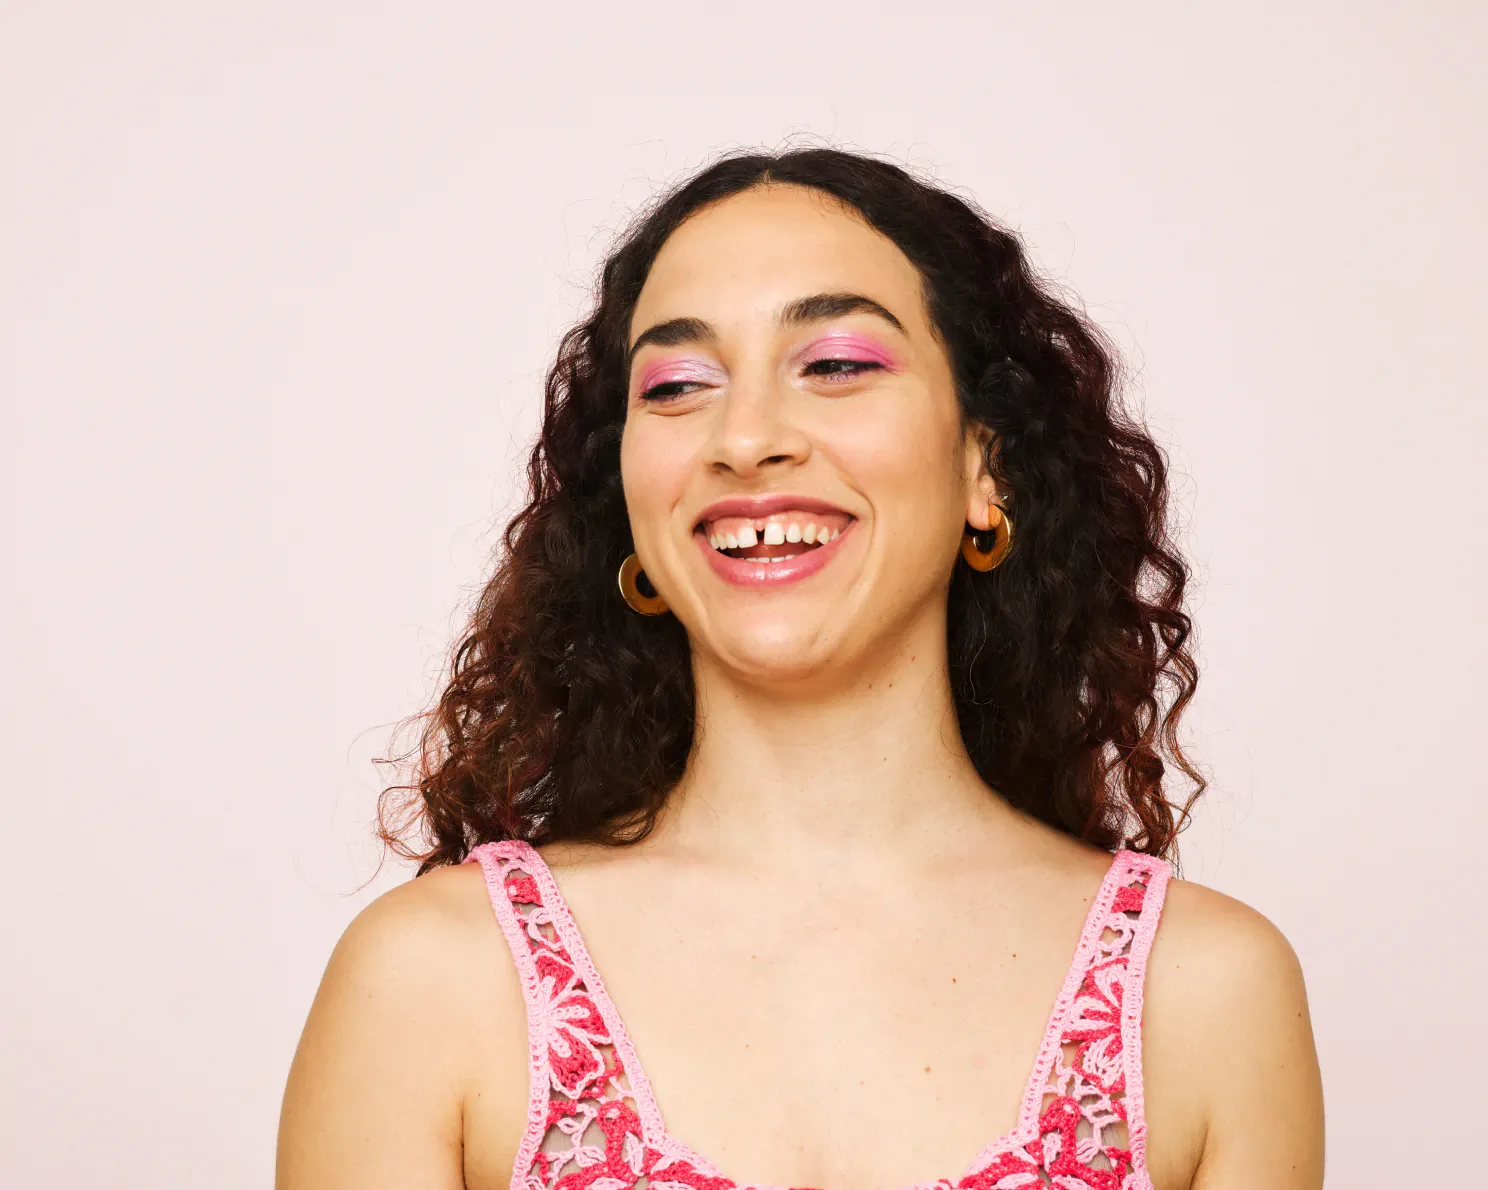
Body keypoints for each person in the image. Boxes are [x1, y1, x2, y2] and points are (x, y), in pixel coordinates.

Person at [276, 148, 1324, 1190]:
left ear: (984, 463)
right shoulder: (435, 983)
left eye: (834, 364)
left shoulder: (1202, 996)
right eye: (679, 383)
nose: (745, 437)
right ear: (631, 503)